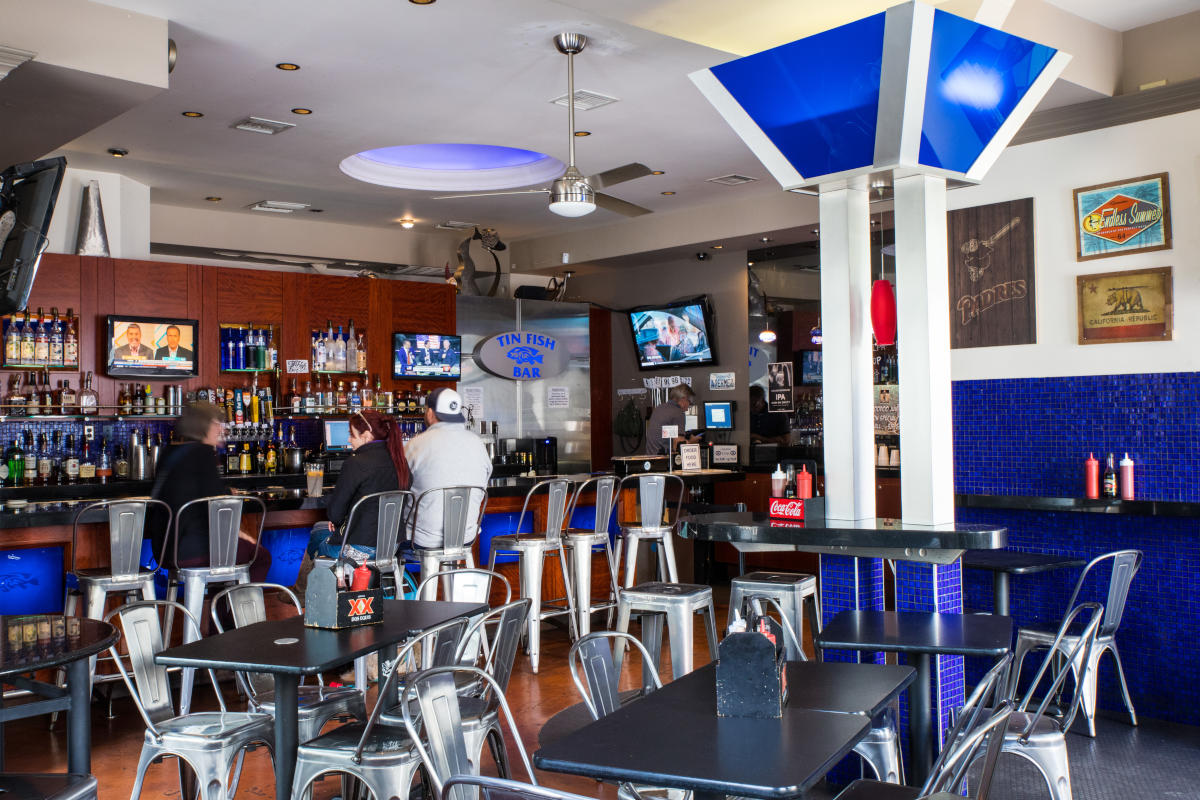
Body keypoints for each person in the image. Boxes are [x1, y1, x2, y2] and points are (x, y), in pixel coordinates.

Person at [151, 401, 271, 581]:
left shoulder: (169, 452)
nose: (221, 429)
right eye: (217, 424)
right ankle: (230, 609)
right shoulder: (202, 453)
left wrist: (224, 492)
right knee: (260, 556)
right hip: (194, 550)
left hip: (165, 551)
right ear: (204, 426)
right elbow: (220, 506)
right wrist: (242, 534)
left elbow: (189, 490)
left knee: (234, 556)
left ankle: (219, 607)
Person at [306, 409, 412, 562]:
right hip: (391, 546)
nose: (349, 440)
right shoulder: (400, 462)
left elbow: (334, 514)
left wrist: (338, 521)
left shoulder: (356, 463)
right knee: (319, 530)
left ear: (367, 435)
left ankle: (310, 585)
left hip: (360, 548)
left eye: (352, 435)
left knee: (317, 538)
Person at [404, 388, 491, 549]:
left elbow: (400, 484)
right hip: (466, 537)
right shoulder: (478, 443)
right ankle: (453, 569)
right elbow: (484, 482)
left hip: (422, 539)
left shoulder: (416, 444)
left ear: (430, 413)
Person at [645, 383, 701, 455]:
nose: (687, 408)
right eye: (689, 402)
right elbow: (678, 445)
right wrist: (691, 442)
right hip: (664, 461)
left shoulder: (659, 408)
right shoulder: (678, 413)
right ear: (683, 399)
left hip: (650, 459)